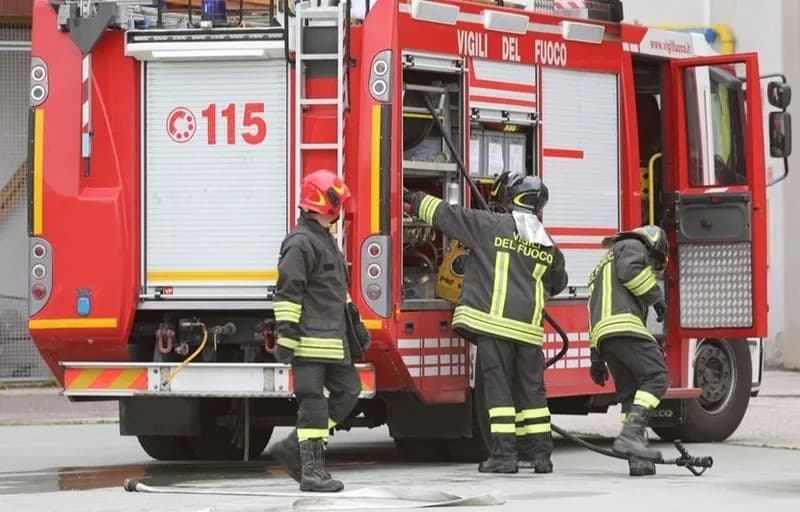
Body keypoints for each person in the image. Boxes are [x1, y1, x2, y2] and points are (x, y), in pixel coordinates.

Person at [403, 172, 568, 474]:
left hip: (494, 326)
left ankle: (504, 456)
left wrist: (410, 197)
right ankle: (540, 456)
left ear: (511, 197)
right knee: (533, 393)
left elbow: (446, 214)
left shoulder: (489, 225)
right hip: (529, 332)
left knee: (498, 392)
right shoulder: (547, 243)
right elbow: (558, 282)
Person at [267, 169, 370, 492]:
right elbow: (288, 292)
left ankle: (293, 447)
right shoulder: (299, 243)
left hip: (334, 340)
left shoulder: (325, 240)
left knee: (349, 391)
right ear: (325, 202)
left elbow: (337, 291)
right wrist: (286, 333)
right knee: (313, 404)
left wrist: (355, 323)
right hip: (309, 341)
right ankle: (312, 472)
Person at [586, 224, 670, 476]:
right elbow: (630, 271)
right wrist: (656, 297)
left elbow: (591, 309)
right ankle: (631, 435)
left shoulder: (600, 267)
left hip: (605, 337)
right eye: (654, 263)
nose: (652, 271)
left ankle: (637, 458)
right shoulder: (631, 245)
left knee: (630, 395)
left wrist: (596, 356)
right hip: (623, 325)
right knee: (657, 376)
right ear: (651, 245)